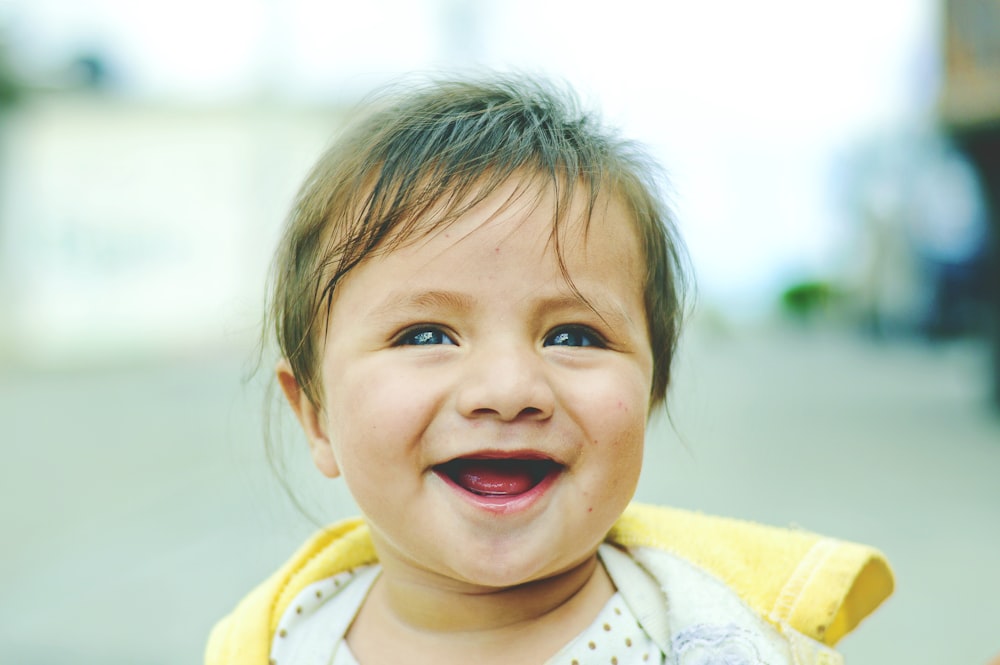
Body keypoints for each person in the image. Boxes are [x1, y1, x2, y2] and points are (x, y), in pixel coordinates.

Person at [205, 74, 893, 665]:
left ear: (650, 392)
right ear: (315, 414)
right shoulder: (289, 641)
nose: (508, 390)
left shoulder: (707, 638)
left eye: (573, 333)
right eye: (425, 333)